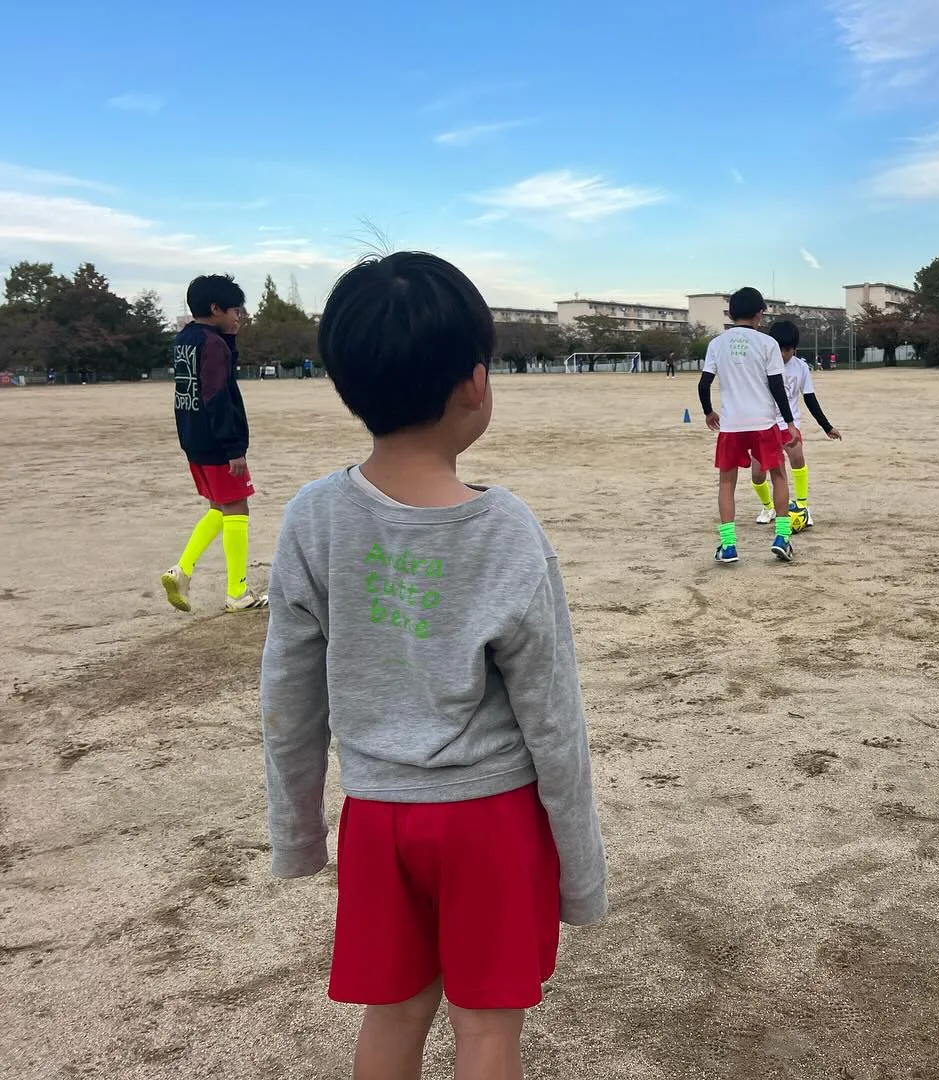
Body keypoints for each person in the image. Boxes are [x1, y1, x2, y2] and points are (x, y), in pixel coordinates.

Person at [259, 252, 607, 1080]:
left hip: (379, 818)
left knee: (396, 1011)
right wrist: (581, 871)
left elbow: (288, 699)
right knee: (488, 1029)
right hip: (490, 818)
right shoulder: (506, 530)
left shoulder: (314, 517)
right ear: (475, 384)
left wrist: (300, 833)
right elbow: (553, 718)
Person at [160, 274, 267, 614]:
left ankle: (183, 570)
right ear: (215, 307)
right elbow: (218, 394)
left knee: (220, 507)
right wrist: (234, 447)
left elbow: (209, 381)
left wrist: (230, 340)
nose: (240, 316)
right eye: (235, 310)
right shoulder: (213, 344)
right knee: (237, 508)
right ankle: (237, 592)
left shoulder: (185, 339)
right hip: (219, 442)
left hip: (194, 439)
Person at [699, 288, 798, 563]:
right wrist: (789, 423)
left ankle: (728, 545)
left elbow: (704, 383)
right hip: (763, 423)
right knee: (778, 475)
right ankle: (782, 537)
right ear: (759, 314)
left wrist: (709, 412)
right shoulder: (767, 344)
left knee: (727, 483)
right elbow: (777, 387)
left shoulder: (717, 344)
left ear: (730, 313)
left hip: (731, 425)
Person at [749, 320, 842, 532]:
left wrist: (826, 426)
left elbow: (809, 399)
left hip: (788, 425)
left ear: (795, 348)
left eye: (788, 349)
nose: (783, 354)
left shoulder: (800, 368)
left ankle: (802, 506)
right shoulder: (760, 365)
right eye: (779, 348)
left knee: (797, 457)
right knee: (757, 474)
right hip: (763, 425)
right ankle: (768, 507)